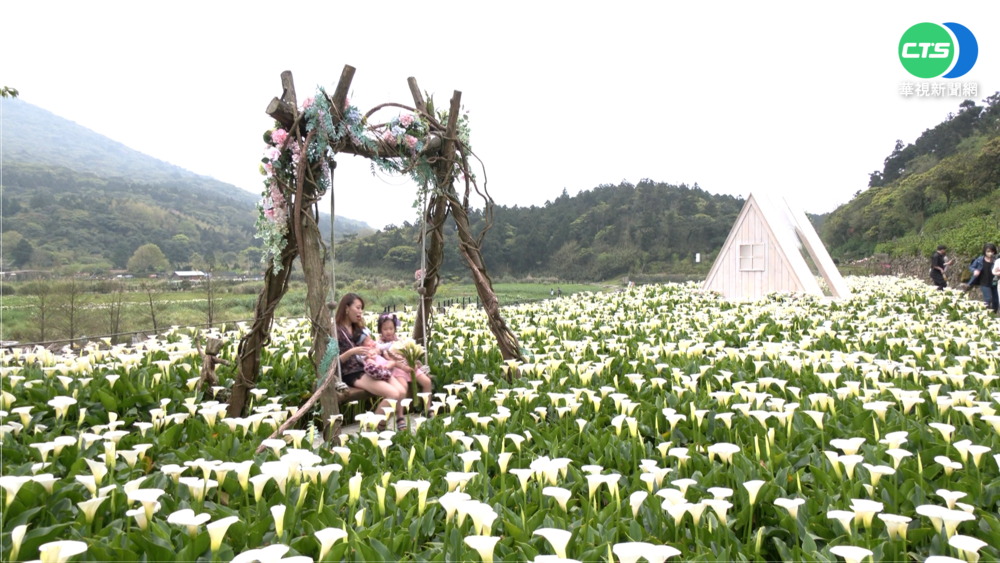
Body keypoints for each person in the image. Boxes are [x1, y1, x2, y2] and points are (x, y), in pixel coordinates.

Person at [333, 293, 405, 428]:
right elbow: (333, 363)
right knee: (393, 394)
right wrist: (352, 352)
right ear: (347, 308)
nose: (360, 312)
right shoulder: (336, 330)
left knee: (400, 391)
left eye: (362, 309)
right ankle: (371, 430)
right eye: (358, 308)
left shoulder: (358, 329)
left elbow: (373, 347)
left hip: (369, 367)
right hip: (352, 372)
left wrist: (372, 352)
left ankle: (379, 427)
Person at [376, 313, 433, 396]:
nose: (388, 331)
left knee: (427, 382)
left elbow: (408, 352)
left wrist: (413, 362)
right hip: (396, 368)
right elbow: (388, 359)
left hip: (408, 365)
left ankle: (427, 408)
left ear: (395, 328)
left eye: (391, 328)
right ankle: (400, 409)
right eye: (385, 329)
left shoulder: (399, 340)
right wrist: (403, 367)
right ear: (380, 330)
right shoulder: (380, 344)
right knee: (404, 387)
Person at [968, 243, 999, 313]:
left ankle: (993, 314)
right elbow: (971, 267)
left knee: (996, 300)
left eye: (992, 251)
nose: (990, 253)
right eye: (988, 251)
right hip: (984, 282)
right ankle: (986, 314)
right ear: (984, 251)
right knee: (987, 299)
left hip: (995, 281)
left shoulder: (996, 260)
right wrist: (975, 271)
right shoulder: (980, 259)